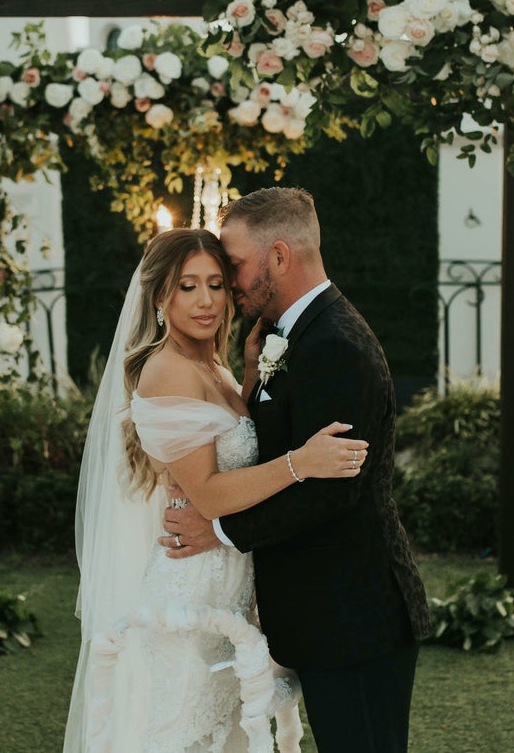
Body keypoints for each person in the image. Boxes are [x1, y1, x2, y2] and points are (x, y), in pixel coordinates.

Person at [64, 228, 368, 752]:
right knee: (183, 727)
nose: (206, 301)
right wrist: (301, 463)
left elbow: (229, 444)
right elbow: (206, 494)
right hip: (193, 588)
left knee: (227, 726)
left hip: (230, 578)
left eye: (216, 284)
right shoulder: (166, 371)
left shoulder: (212, 365)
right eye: (187, 287)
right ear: (159, 297)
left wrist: (247, 378)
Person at [161, 188, 432, 752]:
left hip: (355, 616)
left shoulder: (335, 344)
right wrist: (254, 378)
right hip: (325, 615)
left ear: (279, 257)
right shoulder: (291, 337)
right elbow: (275, 446)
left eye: (234, 265)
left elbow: (332, 494)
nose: (228, 281)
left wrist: (220, 531)